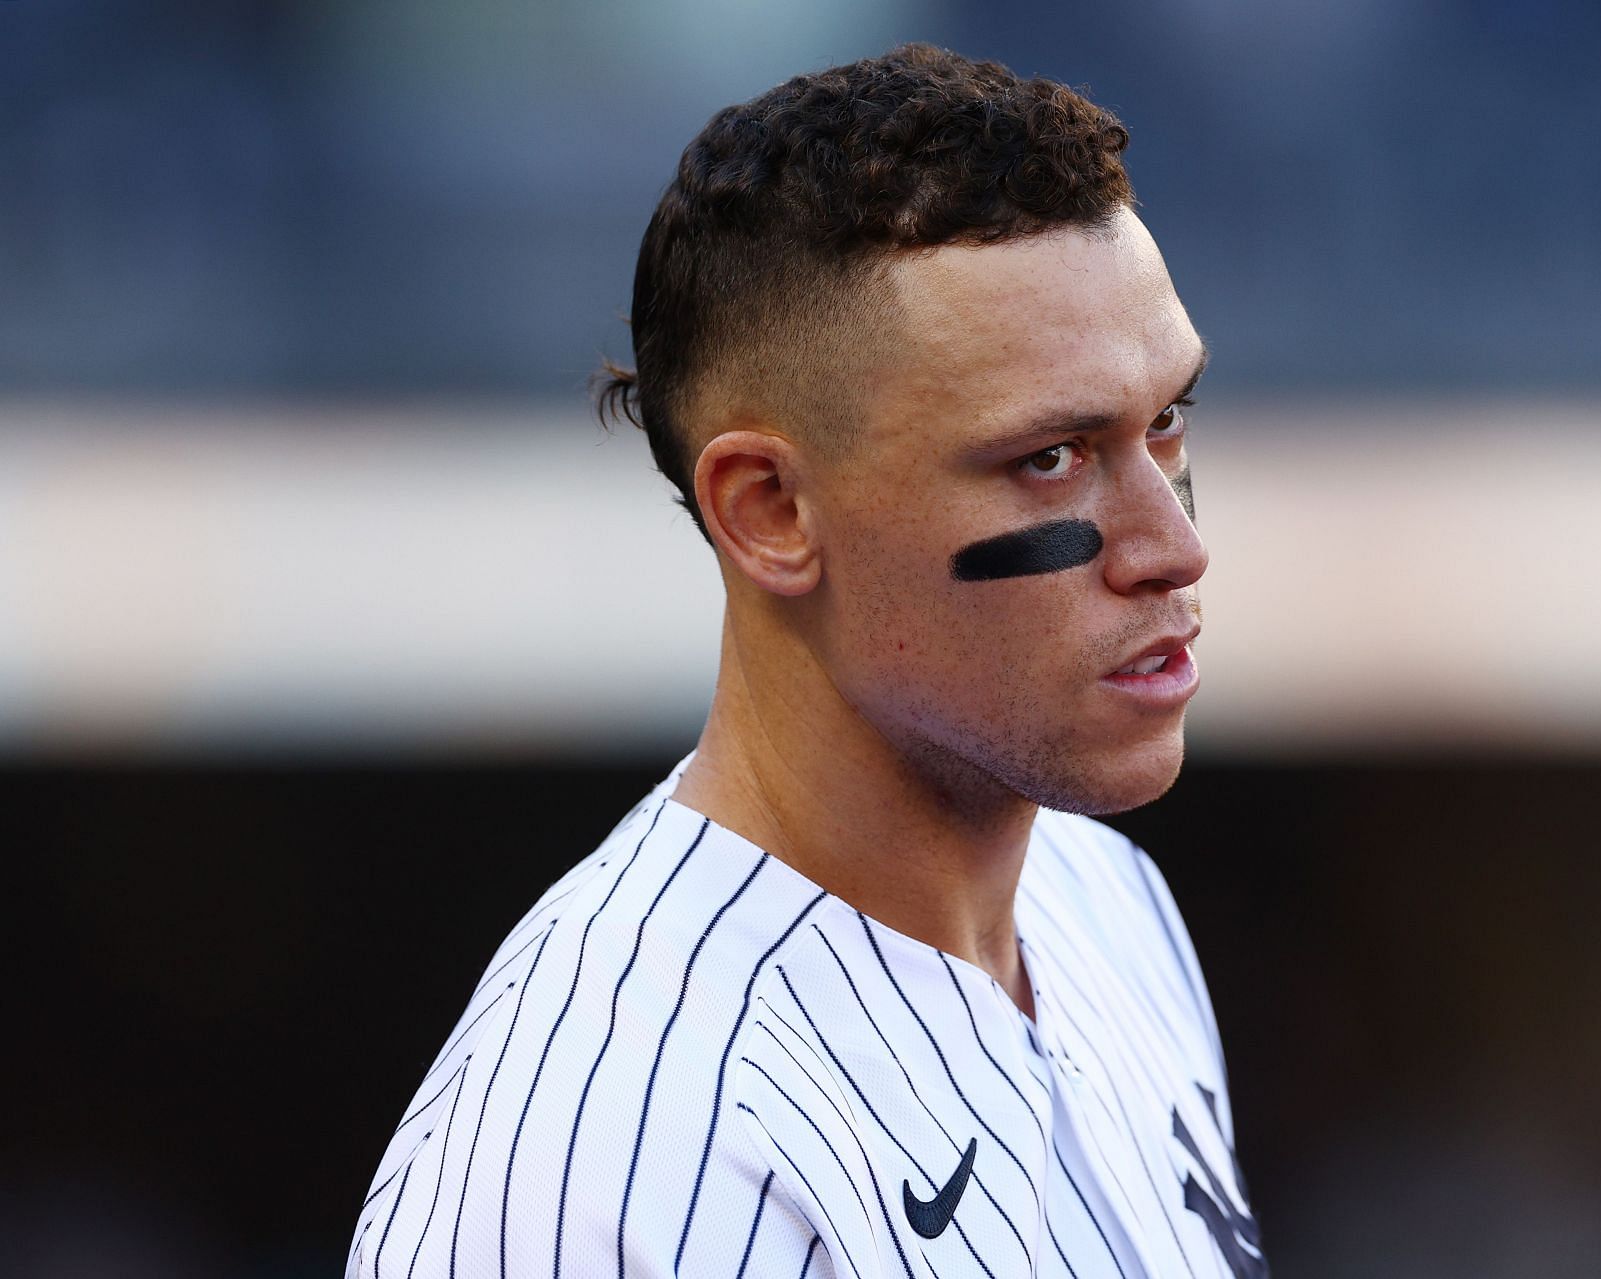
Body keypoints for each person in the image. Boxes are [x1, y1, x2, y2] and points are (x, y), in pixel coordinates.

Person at [349, 43, 1263, 1279]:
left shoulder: (1107, 902)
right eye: (1051, 455)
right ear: (770, 509)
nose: (1175, 547)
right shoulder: (593, 1159)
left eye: (1167, 421)